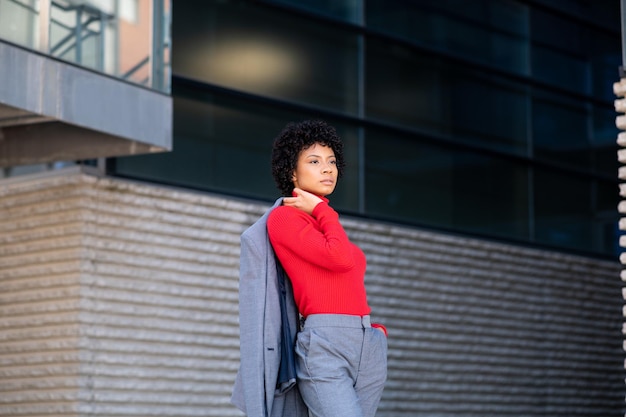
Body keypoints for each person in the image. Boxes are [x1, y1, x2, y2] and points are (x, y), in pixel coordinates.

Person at [267, 119, 388, 417]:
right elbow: (340, 259)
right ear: (292, 172)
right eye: (314, 161)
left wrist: (375, 336)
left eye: (331, 161)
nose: (327, 168)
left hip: (366, 343)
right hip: (326, 344)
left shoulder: (322, 222)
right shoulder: (284, 219)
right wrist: (324, 211)